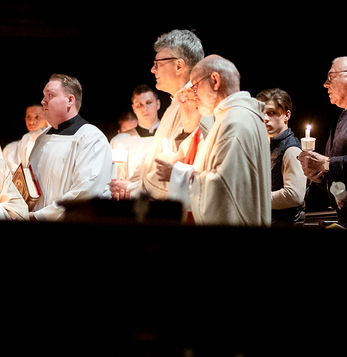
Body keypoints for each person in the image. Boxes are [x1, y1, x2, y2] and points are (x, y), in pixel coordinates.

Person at [154, 55, 270, 226]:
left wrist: (177, 174)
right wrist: (190, 124)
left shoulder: (234, 122)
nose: (194, 95)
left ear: (215, 80)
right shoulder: (238, 116)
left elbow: (224, 188)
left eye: (195, 86)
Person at [110, 29, 213, 200]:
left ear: (179, 66)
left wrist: (133, 188)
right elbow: (156, 157)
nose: (153, 69)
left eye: (157, 64)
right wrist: (131, 184)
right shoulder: (176, 102)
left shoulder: (195, 103)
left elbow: (182, 165)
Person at [29, 74, 113, 221]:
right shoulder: (42, 138)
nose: (43, 101)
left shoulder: (91, 138)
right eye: (44, 96)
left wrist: (40, 217)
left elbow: (84, 192)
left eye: (50, 95)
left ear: (70, 100)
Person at [298, 57, 347, 225]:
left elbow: (330, 163)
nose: (326, 84)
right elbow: (337, 173)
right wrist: (319, 177)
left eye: (331, 76)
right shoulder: (339, 118)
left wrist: (325, 163)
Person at [256, 88, 305, 225]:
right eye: (262, 113)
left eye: (272, 113)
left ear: (286, 115)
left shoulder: (291, 149)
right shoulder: (267, 145)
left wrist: (254, 199)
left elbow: (294, 195)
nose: (265, 119)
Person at [108, 85, 162, 181]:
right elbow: (114, 178)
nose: (145, 108)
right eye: (139, 105)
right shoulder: (121, 141)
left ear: (158, 104)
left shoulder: (171, 134)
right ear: (134, 108)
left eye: (149, 102)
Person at [1, 103, 48, 172]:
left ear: (47, 119)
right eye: (28, 116)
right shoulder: (11, 149)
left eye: (37, 117)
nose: (31, 121)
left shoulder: (52, 145)